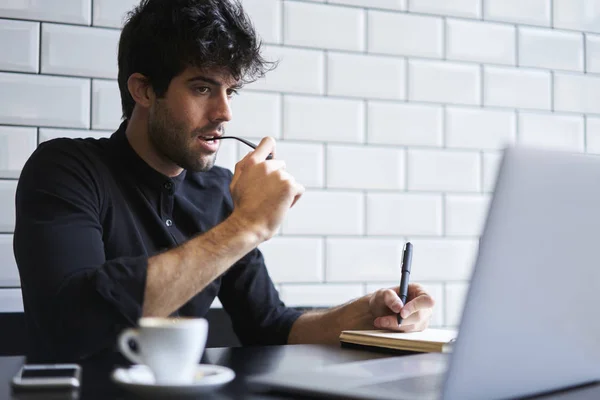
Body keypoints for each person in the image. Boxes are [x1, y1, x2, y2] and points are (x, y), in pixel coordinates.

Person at [13, 0, 434, 363]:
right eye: (202, 88)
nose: (224, 112)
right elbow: (70, 323)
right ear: (143, 90)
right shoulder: (66, 168)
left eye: (230, 91)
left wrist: (364, 317)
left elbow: (268, 324)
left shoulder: (218, 192)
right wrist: (246, 227)